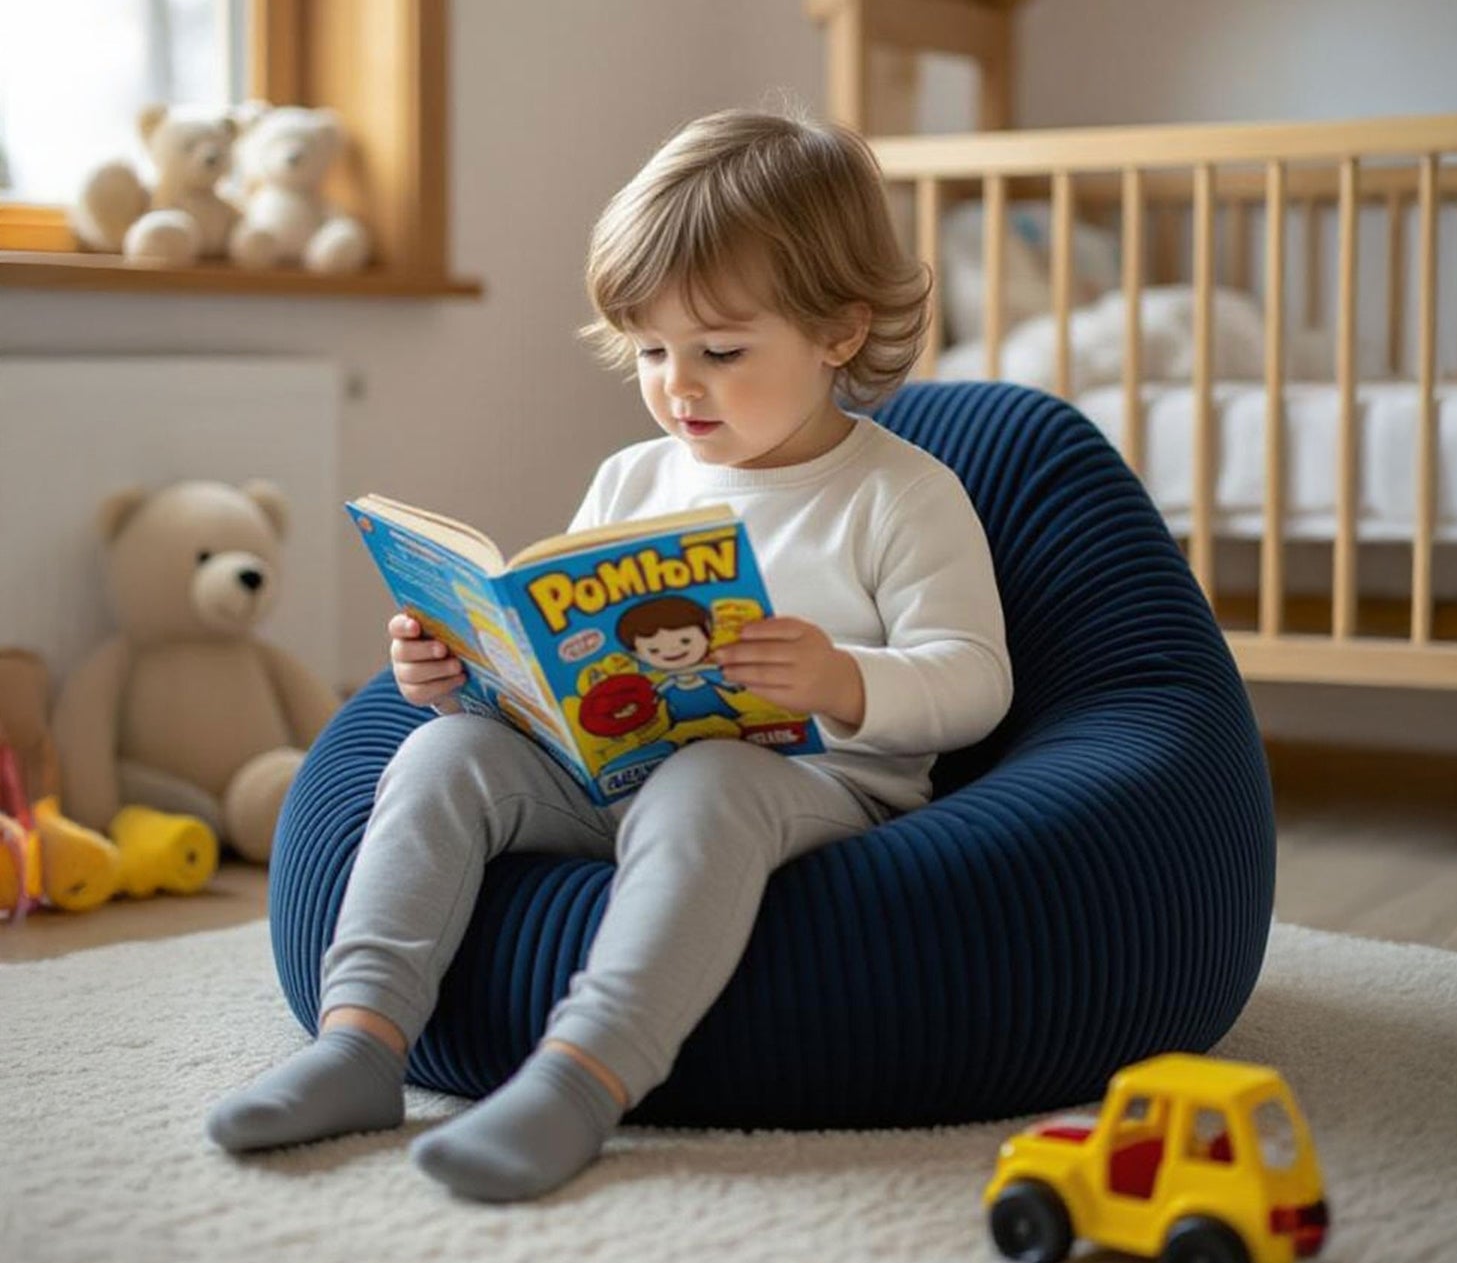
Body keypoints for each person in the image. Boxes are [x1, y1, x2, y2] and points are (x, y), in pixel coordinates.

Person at [206, 106, 1014, 1202]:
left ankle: (581, 1079)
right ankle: (358, 1043)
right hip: (611, 776)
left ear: (838, 331)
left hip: (812, 791)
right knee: (441, 761)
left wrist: (842, 679)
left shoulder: (900, 496)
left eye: (721, 353)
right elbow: (565, 653)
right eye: (651, 351)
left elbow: (975, 679)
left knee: (716, 778)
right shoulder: (638, 479)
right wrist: (460, 676)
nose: (679, 387)